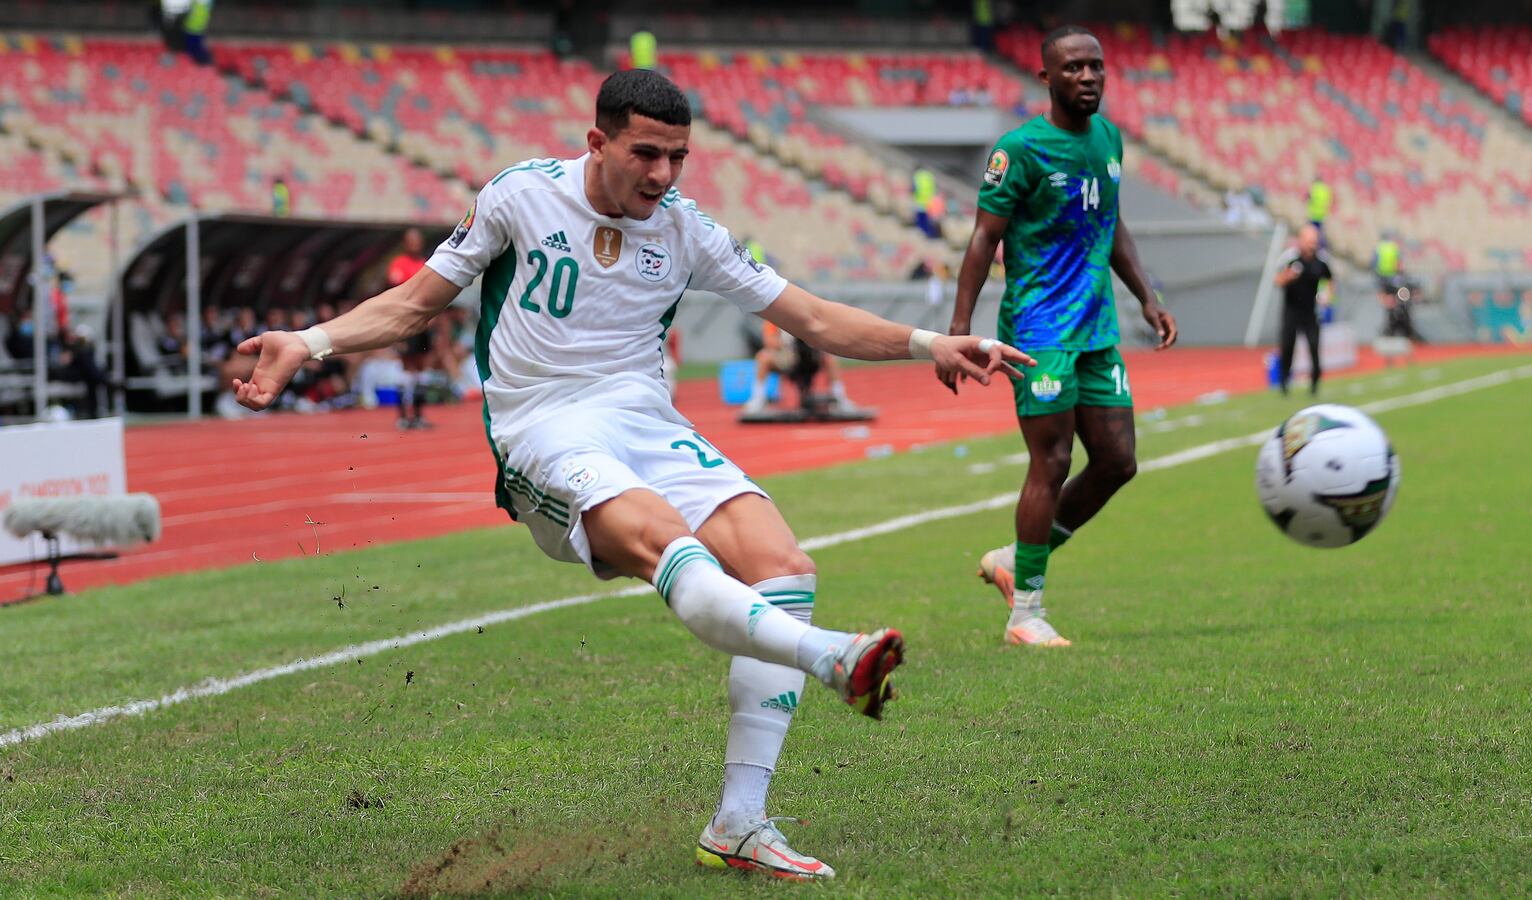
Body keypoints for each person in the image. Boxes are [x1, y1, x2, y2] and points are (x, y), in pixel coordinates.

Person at [228, 68, 1028, 881]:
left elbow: (813, 318)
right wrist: (313, 341)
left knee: (784, 567)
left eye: (678, 156)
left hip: (647, 423)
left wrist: (932, 343)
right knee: (666, 542)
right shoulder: (519, 197)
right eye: (646, 153)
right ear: (597, 142)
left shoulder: (685, 228)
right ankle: (828, 658)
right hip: (543, 426)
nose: (662, 175)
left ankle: (740, 824)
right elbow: (412, 306)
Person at [946, 25, 1177, 648]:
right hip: (1039, 332)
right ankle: (1026, 614)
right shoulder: (1019, 150)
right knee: (1051, 462)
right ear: (1046, 78)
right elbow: (981, 240)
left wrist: (1147, 298)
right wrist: (959, 330)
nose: (1089, 77)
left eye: (1096, 67)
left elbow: (1113, 224)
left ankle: (1012, 560)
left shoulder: (1108, 138)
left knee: (1118, 461)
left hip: (1097, 331)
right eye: (1073, 68)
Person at [1274, 224, 1334, 395]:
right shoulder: (1290, 258)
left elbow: (1330, 280)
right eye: (1308, 241)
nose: (1311, 245)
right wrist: (1288, 276)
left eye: (1314, 241)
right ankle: (1284, 382)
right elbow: (1277, 280)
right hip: (1291, 311)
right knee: (1287, 346)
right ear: (1301, 241)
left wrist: (1327, 296)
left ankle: (1315, 384)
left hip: (1310, 312)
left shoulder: (1321, 261)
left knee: (1314, 346)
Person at [388, 227, 435, 428]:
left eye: (417, 240)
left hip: (423, 323)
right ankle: (402, 416)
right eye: (411, 240)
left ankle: (418, 414)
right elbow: (396, 290)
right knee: (407, 366)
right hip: (407, 321)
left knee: (421, 367)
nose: (414, 244)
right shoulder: (399, 264)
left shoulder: (425, 264)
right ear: (405, 243)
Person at [1306, 173, 1331, 247]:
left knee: (1312, 232)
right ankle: (1321, 246)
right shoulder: (1325, 189)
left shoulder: (1314, 188)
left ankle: (1314, 245)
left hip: (1314, 214)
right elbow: (1328, 201)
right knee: (1320, 232)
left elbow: (1309, 198)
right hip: (1322, 214)